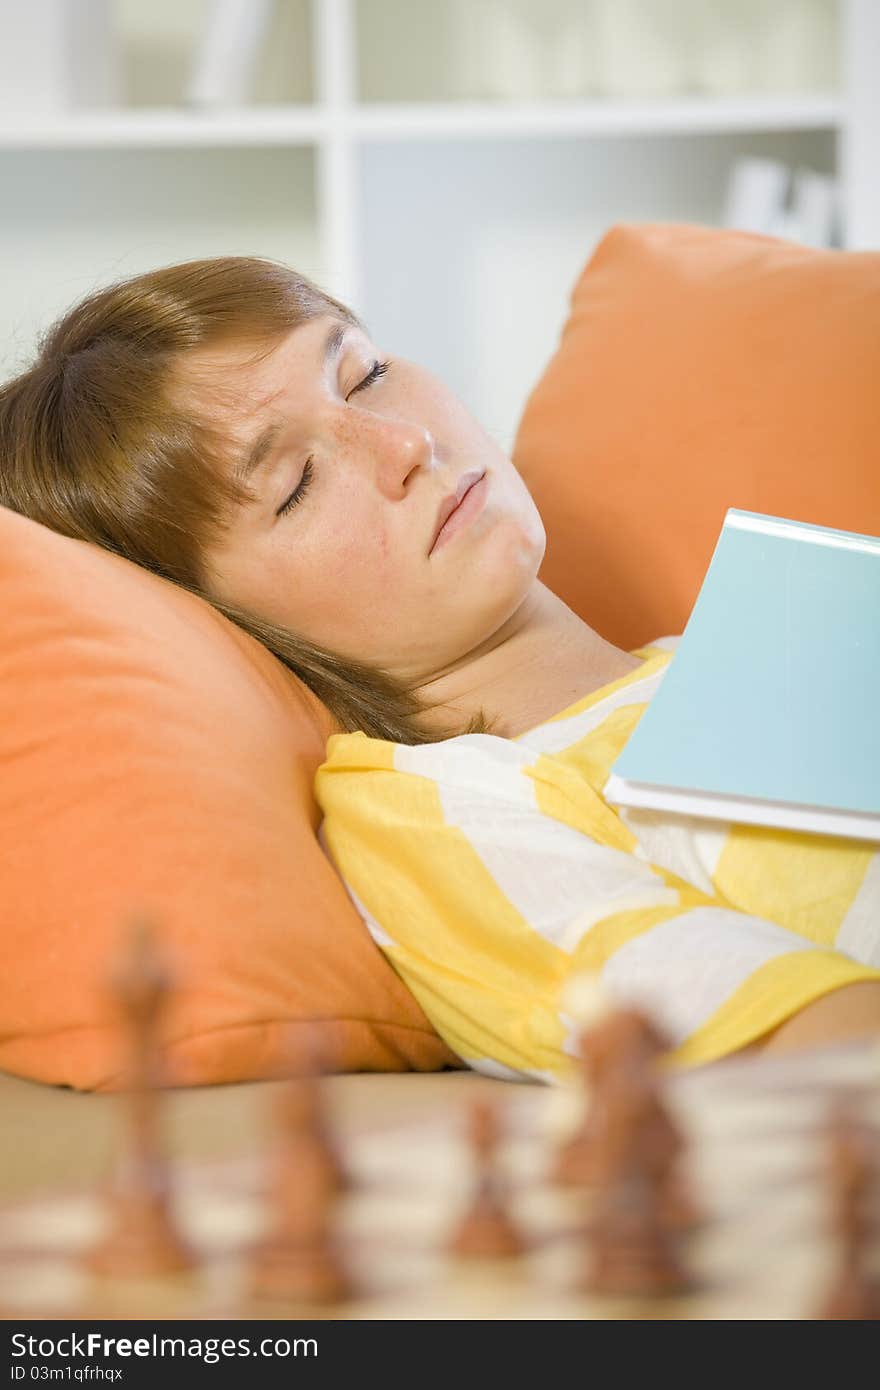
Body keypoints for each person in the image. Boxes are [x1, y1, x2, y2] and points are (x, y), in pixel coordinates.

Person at [1, 255, 878, 1082]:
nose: (403, 441)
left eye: (365, 375)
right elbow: (819, 1060)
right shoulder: (437, 809)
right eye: (297, 482)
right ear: (223, 618)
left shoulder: (759, 640)